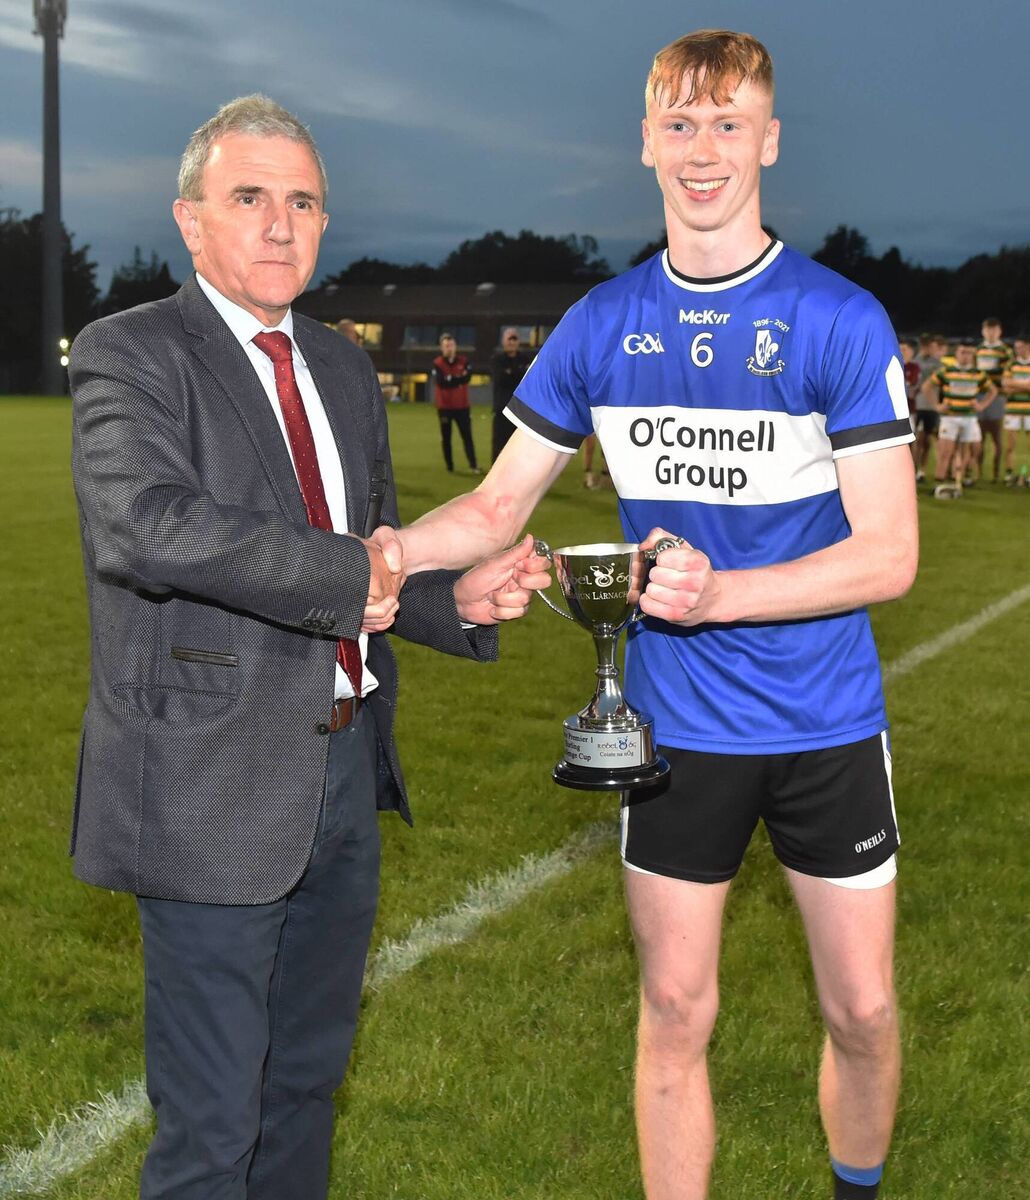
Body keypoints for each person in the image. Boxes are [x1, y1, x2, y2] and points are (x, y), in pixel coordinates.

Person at [373, 30, 917, 1200]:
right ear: (644, 144)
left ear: (768, 140)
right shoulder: (602, 324)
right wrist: (383, 553)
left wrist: (723, 595)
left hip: (822, 716)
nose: (703, 149)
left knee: (863, 1012)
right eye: (679, 125)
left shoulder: (837, 318)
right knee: (673, 1008)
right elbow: (497, 500)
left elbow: (889, 556)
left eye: (728, 125)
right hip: (671, 728)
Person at [68, 94, 539, 1200]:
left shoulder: (334, 362)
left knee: (302, 1093)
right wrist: (363, 574)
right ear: (191, 221)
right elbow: (150, 526)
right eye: (249, 198)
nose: (280, 225)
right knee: (211, 1128)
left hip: (340, 770)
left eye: (303, 201)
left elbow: (368, 545)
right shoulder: (129, 350)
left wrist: (452, 599)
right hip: (207, 783)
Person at [923, 339, 996, 493]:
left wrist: (982, 405)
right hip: (950, 417)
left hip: (970, 417)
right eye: (963, 352)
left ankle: (959, 481)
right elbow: (927, 386)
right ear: (956, 353)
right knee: (945, 451)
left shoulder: (978, 374)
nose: (965, 356)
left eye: (969, 353)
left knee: (970, 450)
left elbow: (993, 390)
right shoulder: (946, 371)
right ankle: (939, 482)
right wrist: (937, 405)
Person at [430, 332, 481, 473]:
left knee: (467, 436)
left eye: (451, 345)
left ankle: (473, 465)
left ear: (455, 346)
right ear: (441, 348)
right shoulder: (437, 363)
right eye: (446, 346)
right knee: (446, 438)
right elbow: (441, 382)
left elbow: (467, 378)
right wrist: (458, 379)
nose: (449, 348)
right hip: (444, 407)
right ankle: (450, 467)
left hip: (462, 407)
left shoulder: (464, 361)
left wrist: (451, 379)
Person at [975, 318, 1012, 481]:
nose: (990, 333)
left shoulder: (1005, 350)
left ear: (999, 331)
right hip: (979, 395)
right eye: (988, 330)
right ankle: (978, 471)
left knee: (996, 435)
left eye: (994, 330)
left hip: (997, 397)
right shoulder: (979, 349)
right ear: (983, 331)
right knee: (979, 436)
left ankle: (996, 473)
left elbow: (1008, 372)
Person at [490, 327, 530, 461]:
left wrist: (511, 373)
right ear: (503, 341)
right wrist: (517, 373)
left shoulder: (524, 358)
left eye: (515, 339)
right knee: (499, 445)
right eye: (509, 339)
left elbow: (527, 380)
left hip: (520, 409)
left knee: (519, 445)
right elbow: (501, 379)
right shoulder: (497, 359)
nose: (512, 342)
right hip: (502, 409)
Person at [912, 333, 945, 482]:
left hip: (931, 407)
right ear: (925, 346)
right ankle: (913, 469)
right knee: (917, 440)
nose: (935, 349)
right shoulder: (914, 363)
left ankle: (922, 471)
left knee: (926, 441)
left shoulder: (938, 364)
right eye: (932, 346)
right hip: (916, 406)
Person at [1001, 336, 1030, 482]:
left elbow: (1010, 384)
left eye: (1020, 347)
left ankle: (1028, 475)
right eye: (1016, 347)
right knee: (1010, 445)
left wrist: (1015, 384)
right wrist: (1026, 385)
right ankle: (1009, 474)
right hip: (1012, 410)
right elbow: (1005, 386)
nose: (1017, 350)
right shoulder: (1011, 364)